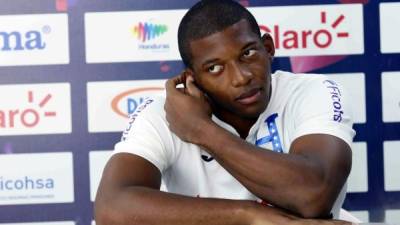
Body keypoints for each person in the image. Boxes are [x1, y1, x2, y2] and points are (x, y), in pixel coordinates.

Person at [94, 0, 356, 224]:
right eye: (215, 68)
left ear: (268, 48)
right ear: (192, 78)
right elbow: (111, 209)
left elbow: (313, 195)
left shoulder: (313, 92)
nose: (241, 77)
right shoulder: (161, 113)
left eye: (248, 53)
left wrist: (202, 130)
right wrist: (247, 216)